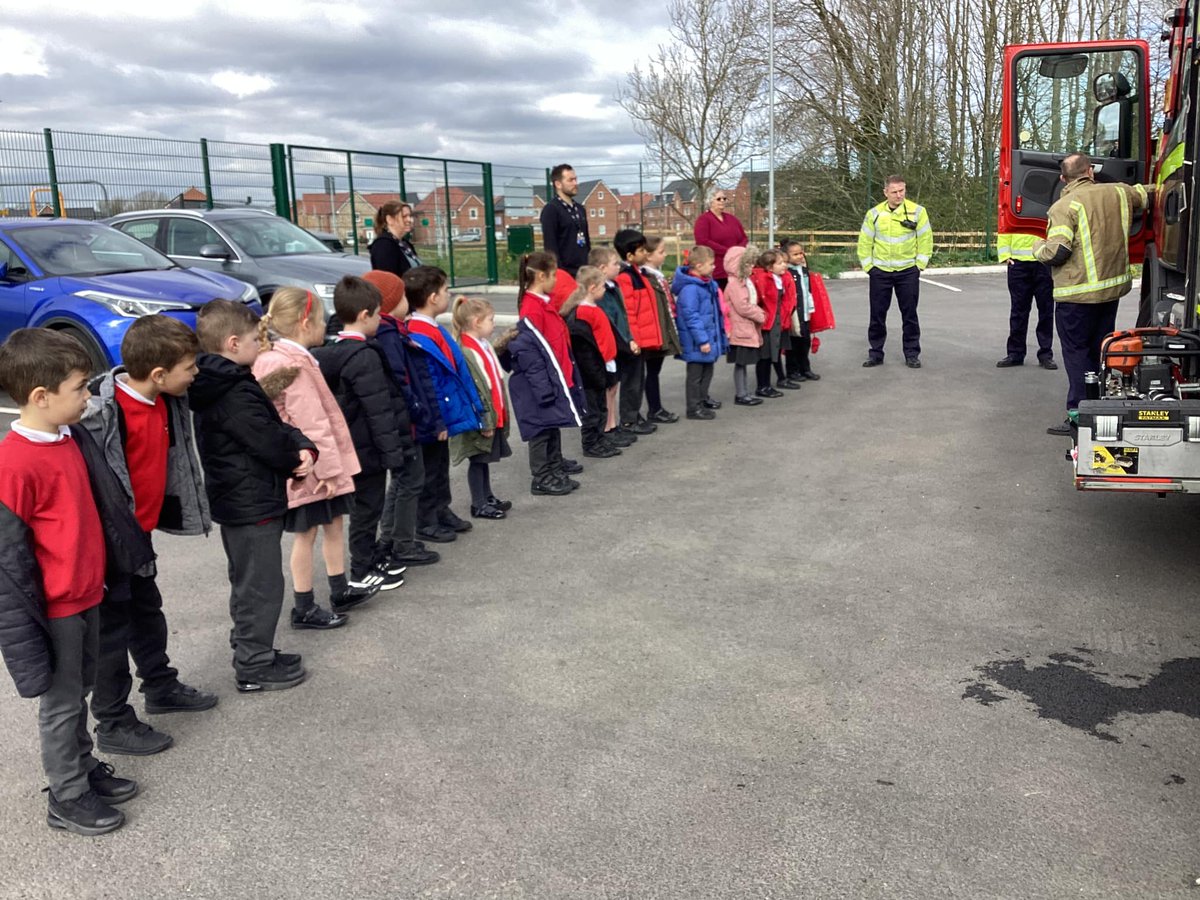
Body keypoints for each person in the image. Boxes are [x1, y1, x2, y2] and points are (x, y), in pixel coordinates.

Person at [0, 328, 151, 836]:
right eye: (81, 388)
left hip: (90, 593)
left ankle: (83, 768)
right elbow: (8, 560)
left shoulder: (70, 436)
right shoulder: (13, 464)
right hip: (57, 607)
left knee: (81, 690)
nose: (89, 396)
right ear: (41, 397)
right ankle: (66, 795)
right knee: (62, 703)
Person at [81, 315, 216, 759]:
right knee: (112, 632)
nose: (196, 374)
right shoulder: (102, 413)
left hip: (139, 537)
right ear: (159, 373)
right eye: (190, 368)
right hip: (108, 545)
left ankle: (160, 685)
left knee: (148, 613)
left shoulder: (165, 397)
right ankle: (114, 721)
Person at [190, 300, 316, 693]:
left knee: (251, 580)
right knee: (259, 584)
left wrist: (298, 443)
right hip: (249, 501)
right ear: (231, 343)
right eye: (253, 340)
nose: (259, 346)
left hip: (243, 498)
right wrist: (296, 458)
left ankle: (253, 648)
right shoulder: (231, 390)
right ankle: (253, 663)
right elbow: (268, 438)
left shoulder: (227, 382)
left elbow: (272, 426)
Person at [252, 288, 379, 628]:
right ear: (305, 323)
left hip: (315, 463)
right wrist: (326, 468)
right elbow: (311, 422)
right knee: (306, 533)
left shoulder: (287, 357)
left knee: (334, 522)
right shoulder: (290, 363)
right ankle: (304, 605)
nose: (326, 327)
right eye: (322, 320)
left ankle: (339, 588)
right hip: (310, 467)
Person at [1033, 152, 1151, 436]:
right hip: (1110, 291)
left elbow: (1058, 251)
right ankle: (1102, 406)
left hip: (1076, 296)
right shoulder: (1119, 194)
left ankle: (1078, 415)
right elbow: (1146, 195)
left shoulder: (1063, 206)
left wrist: (1037, 249)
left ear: (1063, 178)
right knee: (1102, 350)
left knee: (1076, 355)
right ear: (1090, 172)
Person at [313, 276, 411, 591]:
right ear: (364, 315)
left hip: (353, 445)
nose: (382, 319)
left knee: (364, 511)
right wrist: (394, 454)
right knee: (368, 511)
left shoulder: (331, 351)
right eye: (379, 314)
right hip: (368, 448)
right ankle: (362, 569)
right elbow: (378, 409)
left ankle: (366, 562)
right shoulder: (364, 355)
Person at [364, 270, 441, 567]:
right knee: (409, 480)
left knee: (403, 480)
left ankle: (391, 537)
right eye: (403, 296)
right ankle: (402, 542)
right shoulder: (389, 334)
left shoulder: (393, 330)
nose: (408, 301)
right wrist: (419, 410)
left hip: (403, 419)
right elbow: (401, 379)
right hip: (404, 421)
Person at [400, 266, 486, 537]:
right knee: (428, 469)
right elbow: (430, 383)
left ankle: (441, 508)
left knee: (440, 465)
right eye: (446, 290)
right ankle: (426, 520)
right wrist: (436, 418)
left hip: (443, 412)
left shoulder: (433, 328)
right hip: (432, 415)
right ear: (432, 297)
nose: (449, 295)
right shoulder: (417, 333)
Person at [501, 251, 584, 495]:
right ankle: (541, 476)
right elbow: (530, 353)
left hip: (551, 376)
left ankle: (554, 466)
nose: (557, 280)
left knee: (552, 424)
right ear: (540, 276)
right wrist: (544, 386)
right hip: (539, 382)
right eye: (553, 275)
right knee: (540, 430)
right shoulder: (532, 309)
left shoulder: (541, 304)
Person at [857, 174, 933, 368]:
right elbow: (865, 242)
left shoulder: (917, 212)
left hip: (908, 271)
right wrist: (869, 267)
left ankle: (912, 354)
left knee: (909, 315)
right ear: (885, 192)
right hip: (880, 272)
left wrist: (919, 265)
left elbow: (925, 239)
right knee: (877, 315)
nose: (899, 195)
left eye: (902, 191)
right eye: (894, 192)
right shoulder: (874, 214)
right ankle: (875, 353)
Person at [449, 296, 514, 519]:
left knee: (484, 458)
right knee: (477, 460)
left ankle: (487, 496)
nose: (493, 323)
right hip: (480, 418)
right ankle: (478, 503)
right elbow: (475, 390)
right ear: (477, 322)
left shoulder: (482, 345)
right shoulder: (467, 351)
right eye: (490, 319)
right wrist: (484, 419)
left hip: (490, 415)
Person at [564, 266, 622, 459]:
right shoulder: (582, 313)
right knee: (592, 409)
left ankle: (600, 439)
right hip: (593, 369)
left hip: (604, 364)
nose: (605, 289)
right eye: (602, 286)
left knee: (601, 406)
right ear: (592, 287)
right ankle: (591, 443)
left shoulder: (594, 309)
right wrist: (597, 370)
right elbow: (586, 348)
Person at [672, 246, 728, 419]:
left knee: (707, 370)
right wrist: (703, 340)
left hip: (707, 338)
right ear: (698, 265)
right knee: (695, 375)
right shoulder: (690, 289)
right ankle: (693, 407)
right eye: (711, 264)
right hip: (697, 341)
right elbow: (691, 317)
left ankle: (702, 399)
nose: (714, 267)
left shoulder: (706, 284)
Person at [590, 246, 638, 447]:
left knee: (613, 387)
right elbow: (609, 321)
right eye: (615, 263)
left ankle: (612, 425)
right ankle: (606, 428)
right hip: (608, 346)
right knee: (607, 388)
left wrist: (629, 338)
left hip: (619, 344)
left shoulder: (612, 287)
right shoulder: (600, 294)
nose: (620, 266)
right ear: (601, 268)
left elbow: (622, 317)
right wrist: (624, 341)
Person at [614, 229, 660, 435]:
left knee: (638, 380)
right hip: (634, 341)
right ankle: (628, 420)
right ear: (629, 255)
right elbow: (629, 312)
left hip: (641, 340)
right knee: (631, 382)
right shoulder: (625, 277)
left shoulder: (638, 274)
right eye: (641, 250)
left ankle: (634, 415)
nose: (645, 254)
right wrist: (633, 339)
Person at [996, 231, 1058, 371]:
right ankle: (1015, 353)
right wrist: (1005, 256)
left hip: (1043, 262)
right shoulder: (1013, 208)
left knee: (1046, 311)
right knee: (1018, 311)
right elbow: (1004, 228)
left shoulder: (1046, 207)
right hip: (1018, 263)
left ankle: (1045, 354)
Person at [640, 236, 684, 423]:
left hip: (662, 327)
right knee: (649, 372)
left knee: (654, 371)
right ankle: (653, 409)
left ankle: (656, 407)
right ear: (648, 256)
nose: (665, 255)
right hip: (652, 331)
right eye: (661, 252)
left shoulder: (657, 275)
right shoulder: (647, 277)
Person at [749, 249, 796, 399]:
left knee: (775, 353)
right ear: (770, 267)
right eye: (780, 263)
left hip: (780, 321)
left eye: (785, 262)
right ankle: (762, 386)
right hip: (768, 323)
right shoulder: (763, 279)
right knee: (765, 357)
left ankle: (778, 380)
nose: (785, 266)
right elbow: (758, 301)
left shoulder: (782, 278)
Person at [723, 245, 766, 406]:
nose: (751, 267)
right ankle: (741, 394)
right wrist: (760, 314)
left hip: (745, 328)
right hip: (740, 329)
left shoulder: (743, 281)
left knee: (743, 364)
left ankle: (744, 392)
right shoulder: (735, 284)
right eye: (747, 264)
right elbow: (742, 306)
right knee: (740, 363)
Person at [539, 164, 590, 277]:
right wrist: (561, 274)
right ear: (558, 184)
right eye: (570, 180)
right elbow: (551, 247)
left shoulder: (580, 209)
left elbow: (587, 242)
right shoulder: (551, 210)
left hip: (584, 272)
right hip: (566, 273)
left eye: (576, 179)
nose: (575, 183)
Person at [781, 240, 821, 382]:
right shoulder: (786, 272)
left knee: (805, 342)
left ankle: (805, 369)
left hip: (804, 313)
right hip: (793, 315)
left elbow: (807, 290)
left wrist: (810, 308)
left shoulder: (803, 270)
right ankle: (792, 370)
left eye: (800, 253)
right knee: (793, 343)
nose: (799, 256)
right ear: (786, 256)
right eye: (795, 254)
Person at [694, 189, 748, 289]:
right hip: (717, 271)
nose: (722, 201)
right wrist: (728, 252)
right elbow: (703, 241)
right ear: (710, 201)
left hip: (736, 269)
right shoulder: (704, 220)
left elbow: (744, 238)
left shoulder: (732, 219)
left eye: (724, 198)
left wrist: (738, 252)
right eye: (719, 199)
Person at [368, 200, 422, 278]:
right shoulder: (384, 246)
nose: (410, 220)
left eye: (410, 216)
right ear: (389, 219)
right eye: (404, 216)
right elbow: (389, 280)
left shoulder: (404, 244)